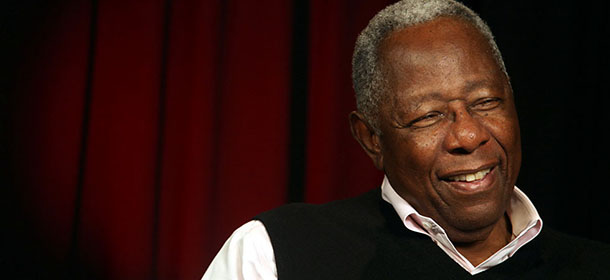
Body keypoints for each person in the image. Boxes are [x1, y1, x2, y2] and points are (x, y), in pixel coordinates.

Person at [202, 0, 610, 279]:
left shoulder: (593, 266)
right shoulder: (276, 252)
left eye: (486, 102)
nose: (468, 135)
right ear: (370, 139)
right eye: (428, 116)